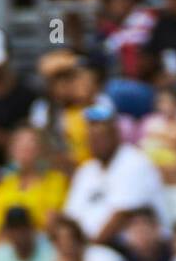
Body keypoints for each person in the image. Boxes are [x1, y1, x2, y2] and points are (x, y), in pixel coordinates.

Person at [63, 97, 168, 244]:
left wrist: (87, 249)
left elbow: (121, 216)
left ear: (115, 134)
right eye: (92, 136)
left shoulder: (134, 161)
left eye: (101, 135)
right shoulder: (86, 170)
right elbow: (70, 218)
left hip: (135, 250)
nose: (96, 141)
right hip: (89, 250)